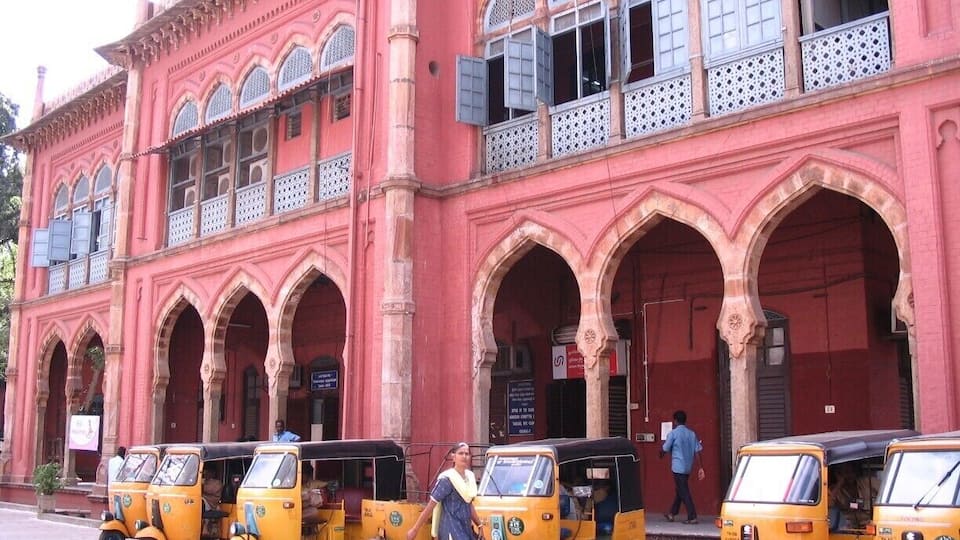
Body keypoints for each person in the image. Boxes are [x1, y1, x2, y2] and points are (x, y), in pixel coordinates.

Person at [406, 442, 483, 540]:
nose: (464, 456)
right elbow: (430, 506)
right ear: (453, 457)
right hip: (451, 528)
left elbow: (468, 504)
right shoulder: (447, 479)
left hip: (466, 528)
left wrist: (479, 525)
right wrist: (414, 530)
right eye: (460, 453)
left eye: (467, 454)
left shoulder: (470, 477)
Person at [661, 410, 704, 524]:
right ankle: (672, 513)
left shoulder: (673, 433)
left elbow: (665, 448)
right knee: (680, 490)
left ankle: (692, 516)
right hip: (687, 467)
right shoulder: (692, 434)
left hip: (678, 467)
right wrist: (700, 467)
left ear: (675, 421)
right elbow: (697, 451)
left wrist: (661, 453)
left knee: (683, 491)